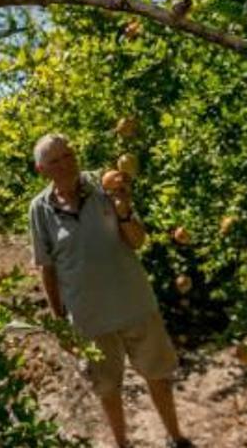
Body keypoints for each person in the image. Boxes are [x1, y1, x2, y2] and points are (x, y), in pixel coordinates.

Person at [27, 133, 192, 448]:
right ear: (41, 170)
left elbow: (137, 241)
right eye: (55, 161)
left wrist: (124, 209)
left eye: (68, 155)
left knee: (157, 375)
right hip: (89, 317)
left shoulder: (104, 185)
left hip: (134, 303)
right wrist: (58, 319)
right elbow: (47, 267)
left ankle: (176, 437)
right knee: (107, 388)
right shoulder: (40, 210)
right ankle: (122, 444)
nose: (65, 164)